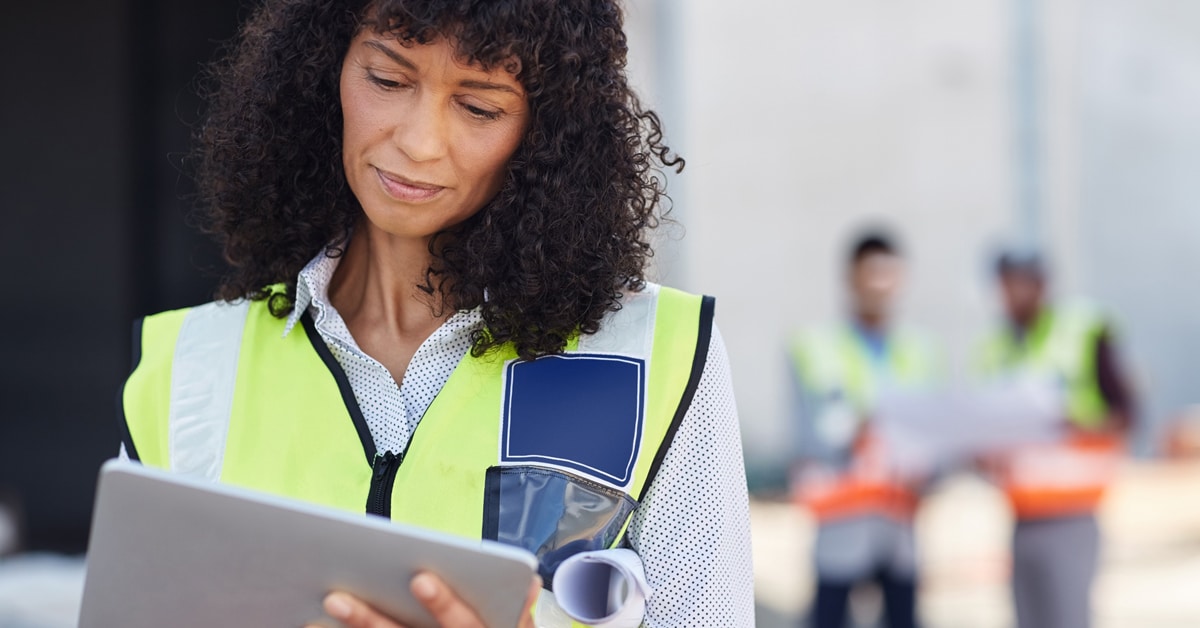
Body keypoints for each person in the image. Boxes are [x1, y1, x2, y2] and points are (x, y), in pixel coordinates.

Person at [117, 1, 754, 626]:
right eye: (387, 79)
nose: (419, 142)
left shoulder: (656, 355)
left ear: (548, 129)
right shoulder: (191, 372)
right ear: (322, 70)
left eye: (479, 106)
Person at [976, 248, 1136, 628]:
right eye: (1006, 285)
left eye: (1021, 283)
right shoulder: (995, 348)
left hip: (1073, 511)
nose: (1013, 294)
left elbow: (1125, 414)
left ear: (1041, 284)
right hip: (1022, 513)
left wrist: (1071, 424)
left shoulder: (1084, 331)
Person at [789, 232, 937, 628]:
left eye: (887, 275)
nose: (878, 285)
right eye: (869, 274)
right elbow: (807, 434)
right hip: (842, 523)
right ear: (850, 278)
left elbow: (934, 436)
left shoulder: (921, 349)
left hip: (899, 527)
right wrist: (860, 428)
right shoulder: (814, 346)